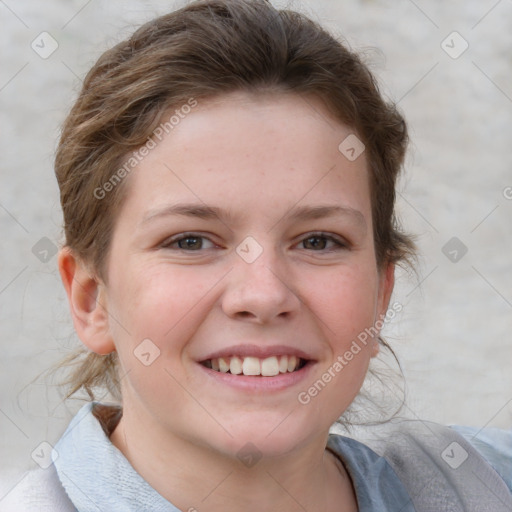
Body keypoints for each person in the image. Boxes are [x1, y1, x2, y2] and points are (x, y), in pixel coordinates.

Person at [2, 0, 511, 510]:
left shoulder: (482, 484)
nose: (264, 295)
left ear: (381, 293)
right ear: (91, 299)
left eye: (318, 241)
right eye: (191, 241)